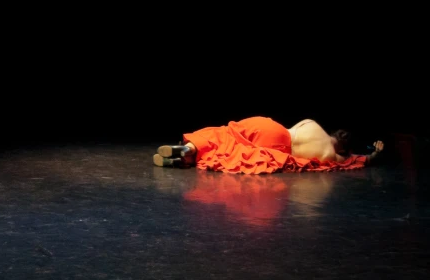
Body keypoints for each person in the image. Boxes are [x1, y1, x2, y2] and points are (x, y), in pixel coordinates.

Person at [152, 116, 385, 174]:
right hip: (280, 143)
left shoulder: (312, 123)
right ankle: (184, 155)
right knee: (230, 152)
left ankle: (187, 150)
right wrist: (373, 153)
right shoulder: (331, 156)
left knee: (224, 134)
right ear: (343, 147)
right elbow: (353, 162)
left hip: (270, 126)